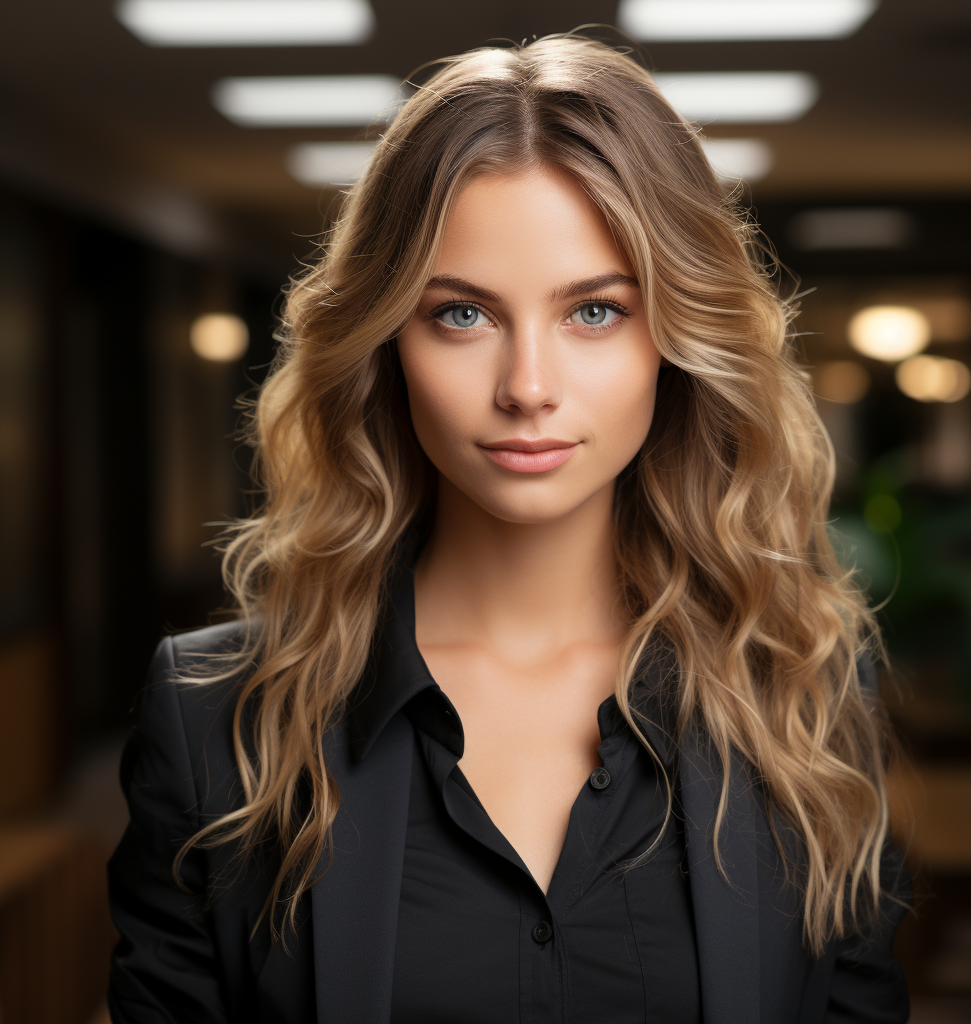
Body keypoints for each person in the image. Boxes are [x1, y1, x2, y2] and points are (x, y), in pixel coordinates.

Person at [107, 30, 914, 1024]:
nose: (526, 387)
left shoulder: (803, 693)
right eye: (462, 315)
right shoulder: (214, 722)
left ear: (677, 338)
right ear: (384, 341)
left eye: (594, 313)